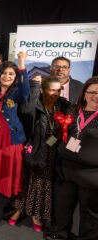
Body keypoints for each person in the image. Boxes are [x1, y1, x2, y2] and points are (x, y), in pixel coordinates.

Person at [10, 77, 71, 232]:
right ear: (42, 90)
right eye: (51, 90)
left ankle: (35, 213)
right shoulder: (35, 105)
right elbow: (26, 111)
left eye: (58, 90)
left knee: (43, 183)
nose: (55, 93)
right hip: (36, 148)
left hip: (53, 150)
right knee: (30, 181)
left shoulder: (61, 105)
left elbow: (73, 113)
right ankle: (22, 209)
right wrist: (35, 86)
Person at [44, 77, 98, 240]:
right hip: (65, 168)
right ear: (84, 93)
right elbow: (58, 134)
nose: (95, 96)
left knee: (90, 211)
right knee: (62, 204)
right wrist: (45, 146)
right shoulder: (73, 110)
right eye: (92, 92)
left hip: (90, 174)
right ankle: (59, 232)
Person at [0, 52, 29, 228]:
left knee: (6, 174)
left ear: (16, 77)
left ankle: (0, 210)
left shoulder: (16, 93)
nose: (7, 76)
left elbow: (26, 92)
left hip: (10, 141)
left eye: (11, 74)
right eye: (4, 73)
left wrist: (22, 64)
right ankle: (1, 200)